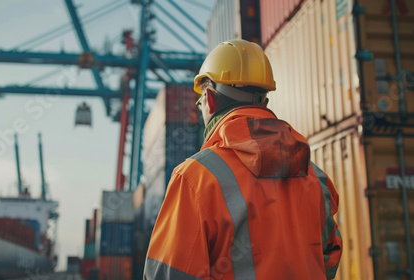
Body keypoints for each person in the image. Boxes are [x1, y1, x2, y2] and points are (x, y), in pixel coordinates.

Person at [143, 39, 342, 279]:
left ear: (211, 99)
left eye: (200, 102)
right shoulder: (316, 177)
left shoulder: (194, 178)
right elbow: (330, 254)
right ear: (264, 101)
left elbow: (169, 274)